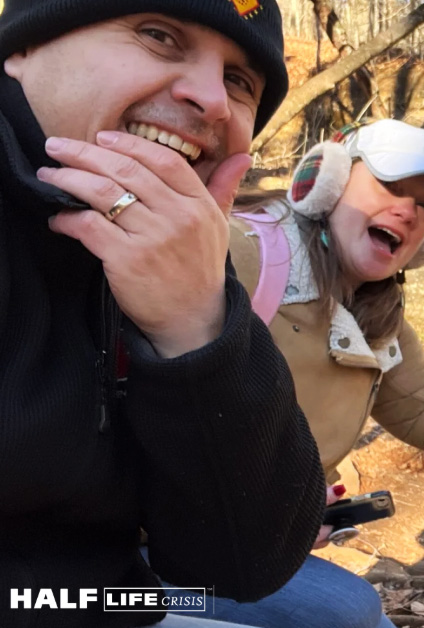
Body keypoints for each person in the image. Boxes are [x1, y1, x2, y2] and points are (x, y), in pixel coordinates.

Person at [151, 118, 424, 627]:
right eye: (391, 186)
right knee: (354, 613)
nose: (411, 210)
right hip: (115, 569)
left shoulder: (379, 317)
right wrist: (263, 504)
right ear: (328, 183)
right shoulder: (237, 254)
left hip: (236, 549)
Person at [0, 1, 328, 627]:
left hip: (121, 598)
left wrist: (195, 323)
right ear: (22, 47)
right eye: (158, 36)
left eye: (240, 81)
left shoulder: (178, 236)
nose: (211, 99)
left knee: (349, 615)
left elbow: (242, 566)